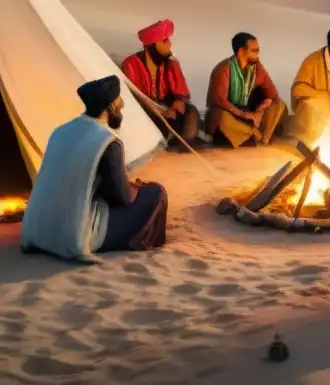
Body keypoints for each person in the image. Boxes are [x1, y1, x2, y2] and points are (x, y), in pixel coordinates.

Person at [20, 75, 169, 262]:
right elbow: (121, 198)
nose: (122, 106)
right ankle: (142, 242)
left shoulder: (60, 131)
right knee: (156, 193)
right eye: (119, 103)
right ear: (111, 107)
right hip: (73, 234)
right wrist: (136, 188)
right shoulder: (107, 141)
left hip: (37, 230)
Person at [120, 19, 201, 151]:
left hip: (170, 110)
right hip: (147, 111)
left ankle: (181, 145)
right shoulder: (131, 64)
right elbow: (132, 97)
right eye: (165, 41)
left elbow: (182, 93)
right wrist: (159, 110)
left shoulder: (172, 64)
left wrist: (177, 104)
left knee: (191, 113)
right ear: (151, 45)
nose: (170, 44)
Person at [205, 32, 287, 147]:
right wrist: (244, 115)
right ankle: (253, 133)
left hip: (249, 111)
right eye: (254, 51)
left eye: (258, 50)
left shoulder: (256, 66)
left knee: (279, 104)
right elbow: (220, 101)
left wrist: (259, 110)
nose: (258, 54)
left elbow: (272, 93)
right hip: (230, 113)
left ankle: (264, 137)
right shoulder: (223, 69)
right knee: (222, 118)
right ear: (241, 51)